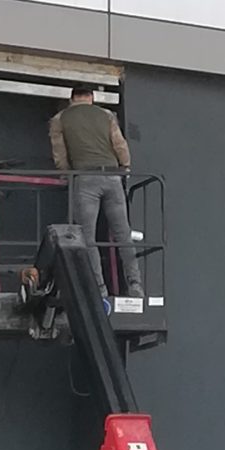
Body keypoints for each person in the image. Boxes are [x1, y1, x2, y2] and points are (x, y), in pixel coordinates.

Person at [49, 82, 142, 304]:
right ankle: (136, 286)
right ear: (91, 97)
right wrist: (125, 167)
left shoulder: (60, 119)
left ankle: (99, 289)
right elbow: (120, 145)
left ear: (72, 99)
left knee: (87, 238)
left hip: (85, 179)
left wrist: (65, 175)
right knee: (123, 235)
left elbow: (59, 153)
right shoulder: (107, 115)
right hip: (112, 177)